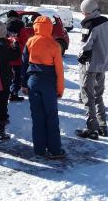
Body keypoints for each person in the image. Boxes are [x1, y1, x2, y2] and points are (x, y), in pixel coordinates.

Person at [21, 15, 65, 159]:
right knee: (51, 117)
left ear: (35, 26)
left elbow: (24, 64)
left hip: (33, 82)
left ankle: (39, 150)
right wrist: (60, 89)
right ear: (50, 28)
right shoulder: (54, 45)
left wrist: (23, 83)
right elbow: (59, 70)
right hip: (49, 83)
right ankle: (55, 150)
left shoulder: (30, 42)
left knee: (37, 117)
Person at [76, 0, 108, 140]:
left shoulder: (89, 24)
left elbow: (85, 46)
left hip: (90, 65)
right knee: (98, 95)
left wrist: (81, 57)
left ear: (86, 12)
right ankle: (102, 126)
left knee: (88, 96)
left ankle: (92, 129)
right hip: (103, 64)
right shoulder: (107, 21)